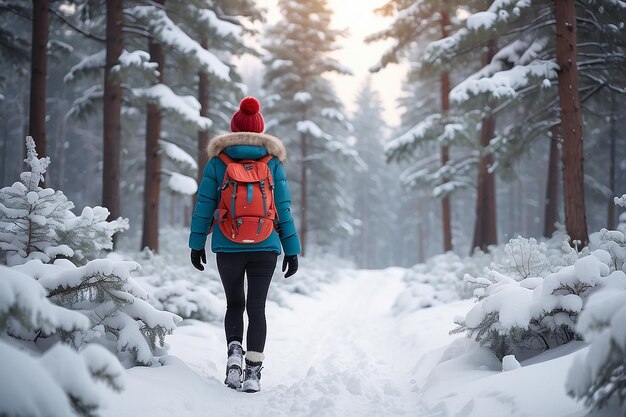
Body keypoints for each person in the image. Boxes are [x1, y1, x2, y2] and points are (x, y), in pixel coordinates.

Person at [189, 96, 300, 393]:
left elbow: (204, 204)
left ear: (234, 128)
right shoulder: (272, 162)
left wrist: (197, 243)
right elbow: (283, 208)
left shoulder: (218, 162)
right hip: (266, 245)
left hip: (227, 244)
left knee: (234, 304)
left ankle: (234, 361)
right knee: (257, 307)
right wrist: (291, 249)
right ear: (261, 130)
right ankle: (253, 372)